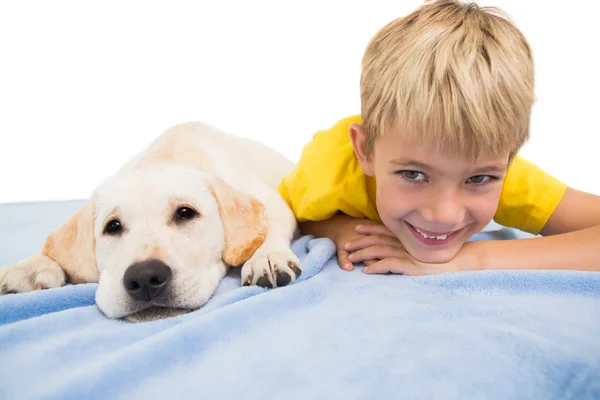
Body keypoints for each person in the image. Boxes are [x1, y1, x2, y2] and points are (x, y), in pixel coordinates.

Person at [277, 0, 600, 275]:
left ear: (509, 160)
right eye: (413, 174)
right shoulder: (328, 168)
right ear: (365, 151)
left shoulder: (511, 179)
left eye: (478, 178)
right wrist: (341, 230)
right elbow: (290, 215)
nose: (444, 214)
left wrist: (473, 258)